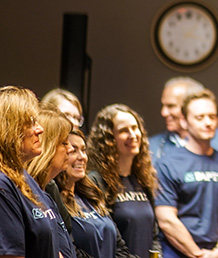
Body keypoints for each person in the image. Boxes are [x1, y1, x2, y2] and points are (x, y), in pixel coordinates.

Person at [152, 77, 218, 258]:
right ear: (184, 121)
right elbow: (166, 218)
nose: (208, 123)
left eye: (212, 117)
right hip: (177, 252)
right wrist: (196, 254)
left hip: (217, 253)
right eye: (200, 117)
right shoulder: (167, 163)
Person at [88, 104, 160, 258]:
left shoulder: (143, 180)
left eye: (135, 128)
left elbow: (153, 235)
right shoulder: (96, 182)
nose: (133, 135)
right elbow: (104, 238)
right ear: (108, 139)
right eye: (123, 131)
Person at [0, 86, 62, 258]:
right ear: (10, 129)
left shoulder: (25, 178)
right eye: (31, 123)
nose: (40, 129)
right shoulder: (3, 184)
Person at [55, 129, 134, 258]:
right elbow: (71, 252)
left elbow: (120, 248)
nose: (82, 157)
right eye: (74, 151)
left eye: (83, 150)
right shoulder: (53, 198)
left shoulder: (91, 194)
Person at [26, 107, 78, 258]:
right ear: (48, 145)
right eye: (64, 143)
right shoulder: (22, 192)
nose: (71, 149)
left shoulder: (47, 192)